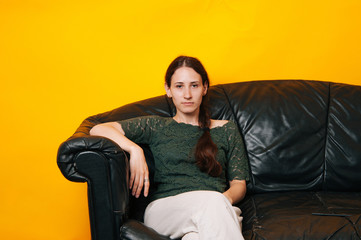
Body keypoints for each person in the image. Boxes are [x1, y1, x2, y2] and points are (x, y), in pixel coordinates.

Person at [90, 56, 250, 240]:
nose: (187, 94)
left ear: (205, 88)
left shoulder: (226, 129)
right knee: (214, 206)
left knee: (195, 236)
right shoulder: (156, 126)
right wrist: (135, 150)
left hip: (217, 208)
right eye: (179, 86)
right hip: (166, 210)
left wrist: (221, 202)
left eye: (194, 85)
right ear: (168, 89)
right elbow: (98, 129)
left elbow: (239, 185)